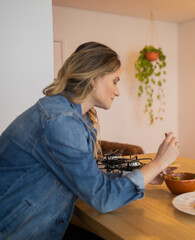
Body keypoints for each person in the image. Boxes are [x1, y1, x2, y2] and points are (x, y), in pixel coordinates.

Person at [0, 42, 179, 239]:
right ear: (93, 78)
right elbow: (103, 198)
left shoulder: (76, 115)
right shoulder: (61, 121)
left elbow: (92, 167)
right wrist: (158, 163)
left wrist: (142, 169)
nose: (117, 92)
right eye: (115, 81)